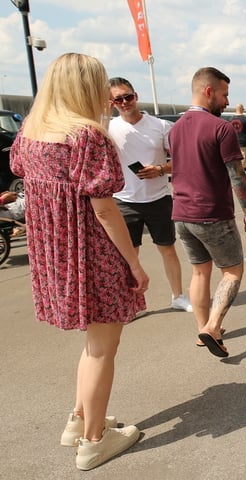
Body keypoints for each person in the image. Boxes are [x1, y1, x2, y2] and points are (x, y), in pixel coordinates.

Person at [9, 52, 147, 471]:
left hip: (56, 253)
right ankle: (93, 442)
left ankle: (80, 418)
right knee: (104, 347)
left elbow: (22, 173)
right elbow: (105, 210)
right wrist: (134, 265)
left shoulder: (31, 133)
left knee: (94, 344)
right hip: (92, 252)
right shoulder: (86, 137)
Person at [168, 67, 246, 358]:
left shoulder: (176, 128)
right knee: (232, 271)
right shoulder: (221, 129)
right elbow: (237, 175)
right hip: (212, 213)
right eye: (224, 94)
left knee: (199, 272)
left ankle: (202, 328)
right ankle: (213, 326)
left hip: (182, 214)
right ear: (209, 91)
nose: (226, 101)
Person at [108, 77, 192, 313]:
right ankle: (131, 304)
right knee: (129, 255)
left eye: (128, 96)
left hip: (158, 198)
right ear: (111, 102)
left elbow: (182, 160)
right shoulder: (108, 128)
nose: (124, 102)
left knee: (167, 248)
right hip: (124, 200)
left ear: (136, 96)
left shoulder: (161, 126)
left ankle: (178, 296)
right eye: (118, 99)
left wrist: (160, 169)